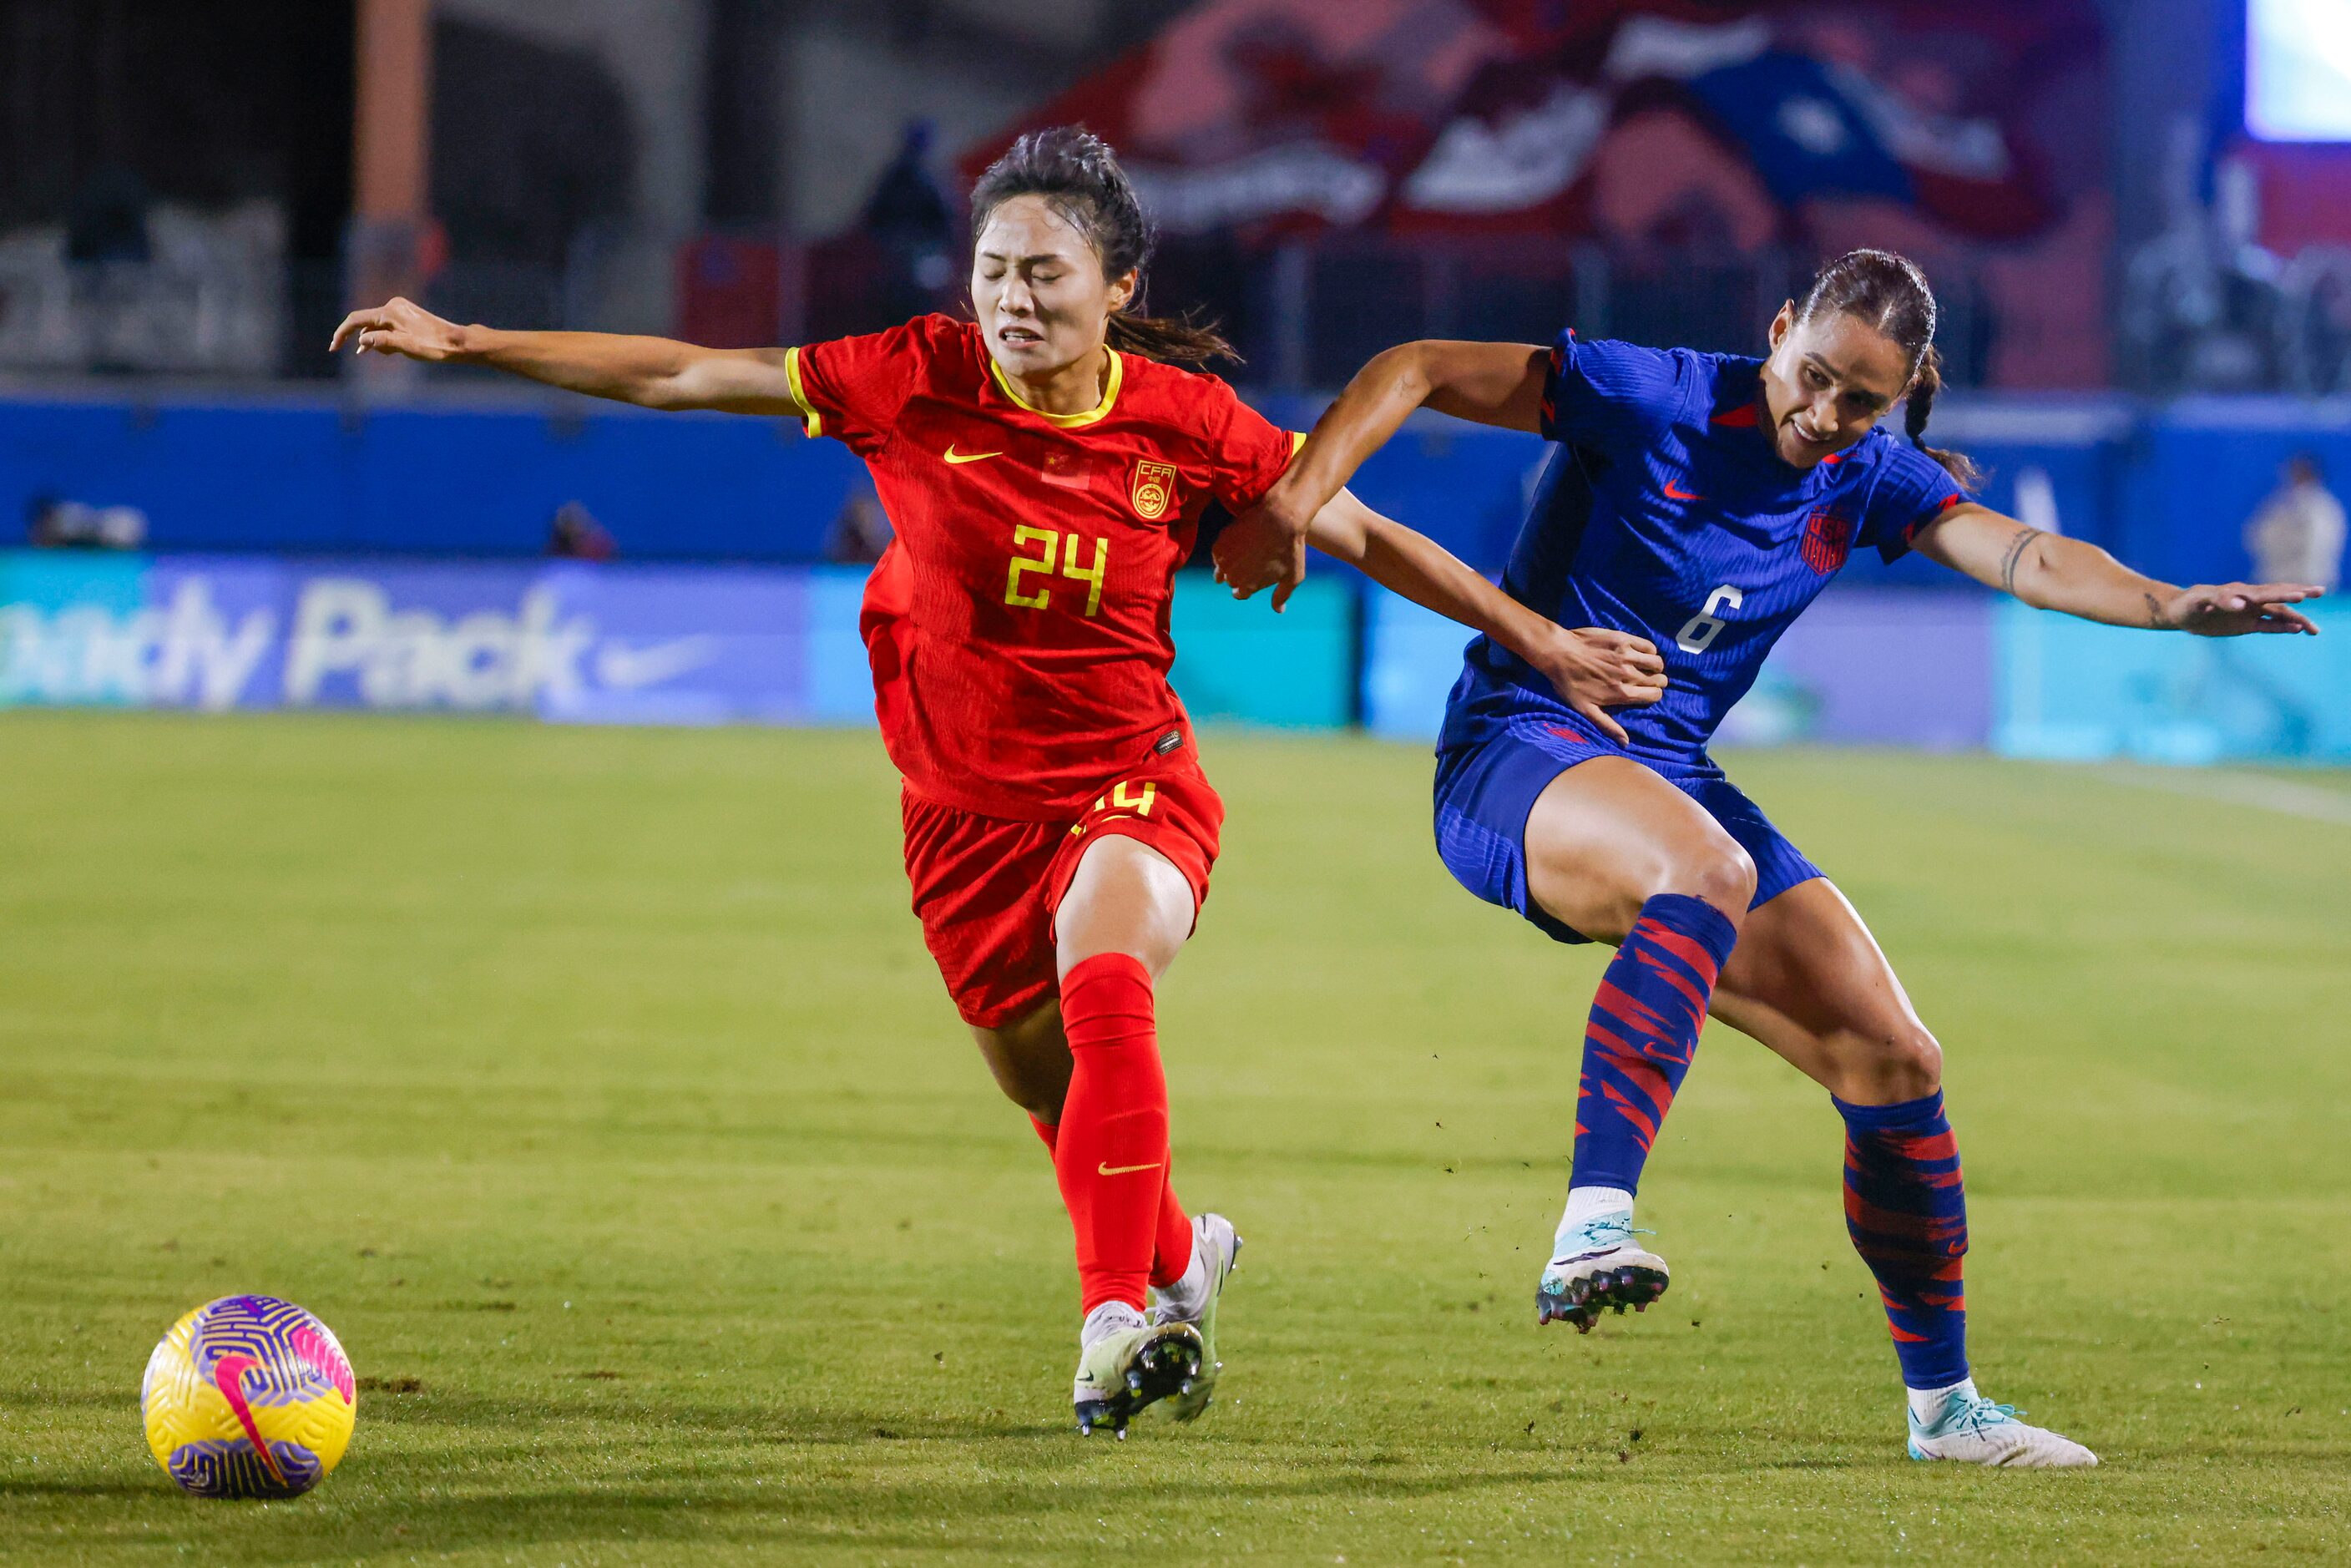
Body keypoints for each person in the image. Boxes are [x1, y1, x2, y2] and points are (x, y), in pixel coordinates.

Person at [332, 127, 1661, 1437]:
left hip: (1128, 782)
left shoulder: (1181, 421)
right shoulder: (911, 378)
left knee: (1105, 978)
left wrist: (1539, 638)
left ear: (1118, 290)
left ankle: (1110, 1324)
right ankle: (1181, 1255)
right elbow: (688, 372)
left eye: (1046, 274)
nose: (1014, 298)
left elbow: (1367, 531)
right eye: (995, 269)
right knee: (1048, 1094)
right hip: (960, 812)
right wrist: (468, 344)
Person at [1216, 249, 2324, 1468]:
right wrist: (1292, 502)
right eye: (1814, 379)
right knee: (1708, 869)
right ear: (1781, 327)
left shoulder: (1865, 474)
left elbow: (2026, 555)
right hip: (1518, 750)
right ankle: (1594, 1220)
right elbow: (1416, 367)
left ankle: (1945, 1409)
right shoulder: (1654, 396)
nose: (1825, 416)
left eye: (1862, 401)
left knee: (1895, 1056)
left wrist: (2170, 602)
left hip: (1669, 774)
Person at [2245, 453, 2345, 594]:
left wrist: (2307, 578)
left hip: (2309, 582)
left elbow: (2319, 546)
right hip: (2274, 579)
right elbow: (2258, 535)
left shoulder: (2323, 507)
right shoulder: (2278, 503)